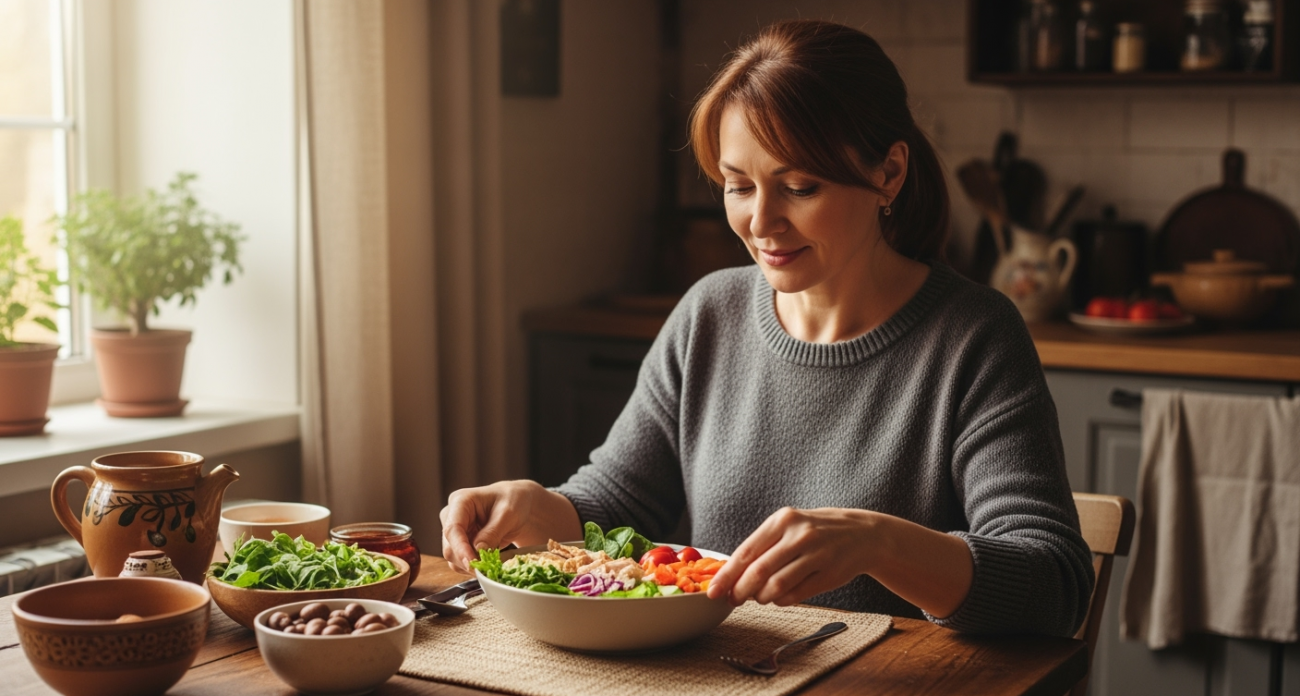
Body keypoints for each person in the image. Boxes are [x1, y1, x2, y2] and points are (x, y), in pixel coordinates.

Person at [440, 19, 1093, 636]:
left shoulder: (973, 337)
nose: (761, 222)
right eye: (738, 185)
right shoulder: (709, 313)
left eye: (800, 187)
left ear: (888, 173)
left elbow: (1055, 584)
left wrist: (879, 542)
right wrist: (535, 507)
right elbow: (618, 504)